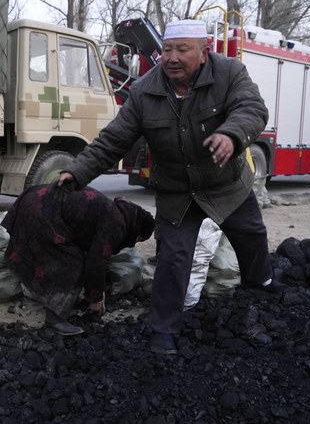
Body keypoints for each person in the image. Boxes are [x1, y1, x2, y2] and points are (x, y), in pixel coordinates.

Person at [54, 19, 283, 354]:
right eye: (167, 50)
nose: (172, 57)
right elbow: (113, 139)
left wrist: (232, 135)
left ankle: (261, 284)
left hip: (226, 183)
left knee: (251, 236)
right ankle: (163, 330)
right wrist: (76, 172)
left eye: (182, 49)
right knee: (173, 258)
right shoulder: (144, 90)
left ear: (204, 53)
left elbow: (252, 109)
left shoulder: (230, 72)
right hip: (177, 190)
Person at [1, 184, 155, 336]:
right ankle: (54, 320)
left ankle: (55, 304)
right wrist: (95, 299)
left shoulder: (116, 211)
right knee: (70, 264)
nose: (134, 242)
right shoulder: (116, 224)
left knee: (70, 255)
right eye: (138, 238)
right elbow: (96, 263)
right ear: (136, 228)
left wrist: (94, 290)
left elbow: (92, 251)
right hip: (42, 211)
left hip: (35, 199)